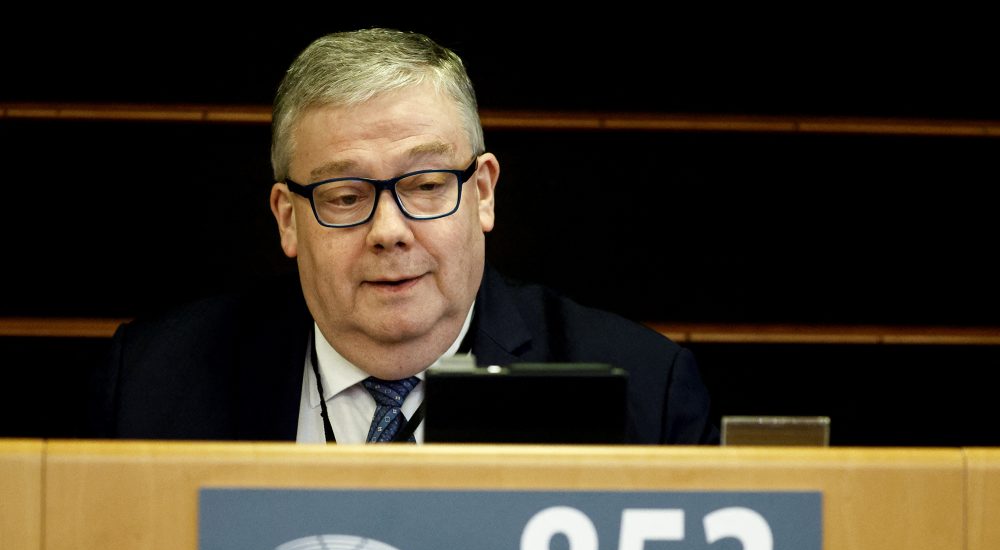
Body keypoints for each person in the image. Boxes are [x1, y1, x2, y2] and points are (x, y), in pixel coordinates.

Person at [92, 28, 717, 444]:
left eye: (425, 186)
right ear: (287, 217)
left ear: (483, 193)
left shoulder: (643, 390)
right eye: (345, 196)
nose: (389, 232)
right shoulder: (151, 385)